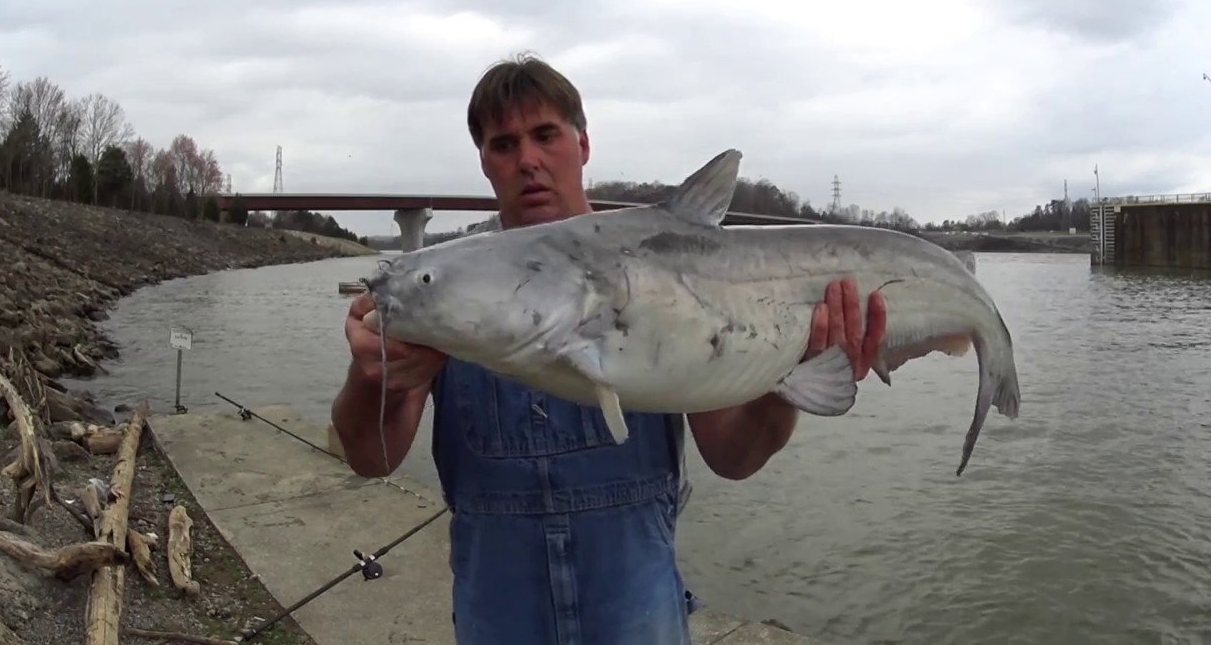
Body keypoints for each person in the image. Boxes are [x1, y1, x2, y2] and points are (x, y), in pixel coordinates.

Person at [331, 53, 888, 645]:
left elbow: (734, 456)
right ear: (485, 163)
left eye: (546, 135)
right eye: (504, 144)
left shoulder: (671, 276)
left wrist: (786, 378)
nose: (528, 160)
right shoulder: (445, 296)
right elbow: (370, 459)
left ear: (583, 143)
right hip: (496, 624)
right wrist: (372, 377)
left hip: (641, 622)